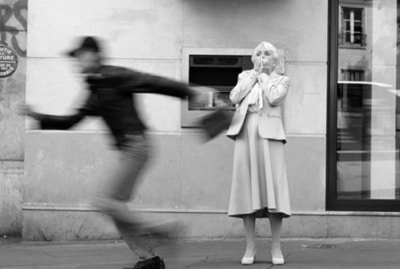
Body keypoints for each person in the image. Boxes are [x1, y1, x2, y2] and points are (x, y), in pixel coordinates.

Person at [19, 36, 215, 269]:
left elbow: (151, 82)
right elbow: (71, 121)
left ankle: (164, 231)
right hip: (128, 150)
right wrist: (38, 117)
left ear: (94, 55)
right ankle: (148, 259)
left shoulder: (114, 76)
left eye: (81, 56)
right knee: (115, 207)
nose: (77, 62)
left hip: (137, 145)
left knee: (104, 201)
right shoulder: (95, 90)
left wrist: (190, 92)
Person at [226, 41, 291, 266]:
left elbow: (274, 97)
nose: (263, 57)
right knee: (247, 189)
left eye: (267, 54)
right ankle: (250, 247)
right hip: (246, 134)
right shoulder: (245, 76)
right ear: (253, 58)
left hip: (270, 137)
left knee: (273, 189)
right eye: (259, 54)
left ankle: (276, 246)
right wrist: (254, 75)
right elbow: (234, 97)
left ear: (275, 60)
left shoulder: (282, 80)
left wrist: (263, 76)